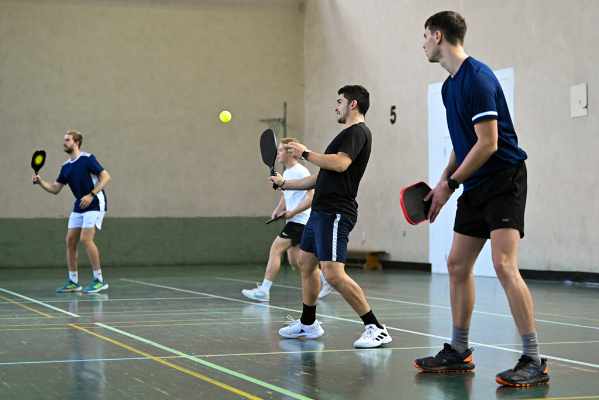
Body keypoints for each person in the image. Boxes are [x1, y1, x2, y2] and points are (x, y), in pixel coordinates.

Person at [415, 11, 549, 387]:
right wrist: (442, 182)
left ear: (438, 35)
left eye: (425, 36)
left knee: (504, 264)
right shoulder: (448, 87)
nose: (423, 43)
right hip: (474, 183)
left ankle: (533, 358)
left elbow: (488, 144)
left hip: (504, 179)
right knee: (457, 263)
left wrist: (452, 184)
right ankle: (459, 351)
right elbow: (464, 144)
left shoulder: (478, 79)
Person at [271, 85, 392, 348]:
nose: (335, 106)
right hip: (320, 211)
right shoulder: (345, 134)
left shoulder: (357, 132)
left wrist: (304, 152)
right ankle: (308, 323)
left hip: (337, 211)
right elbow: (321, 176)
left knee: (333, 273)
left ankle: (375, 327)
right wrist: (285, 184)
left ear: (353, 104)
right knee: (306, 262)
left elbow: (340, 164)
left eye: (339, 101)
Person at [242, 138, 334, 302]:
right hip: (293, 220)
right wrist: (279, 210)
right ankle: (326, 280)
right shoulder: (286, 173)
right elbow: (287, 194)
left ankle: (264, 290)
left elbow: (311, 198)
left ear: (291, 153)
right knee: (296, 261)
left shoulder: (301, 172)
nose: (277, 154)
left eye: (281, 151)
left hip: (301, 220)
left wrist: (293, 212)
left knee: (276, 249)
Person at [33, 130, 111, 294]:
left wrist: (91, 194)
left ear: (76, 142)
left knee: (86, 239)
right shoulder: (66, 167)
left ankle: (99, 280)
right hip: (79, 205)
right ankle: (73, 282)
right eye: (64, 140)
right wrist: (41, 182)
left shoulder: (88, 159)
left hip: (95, 202)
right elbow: (55, 189)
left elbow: (106, 177)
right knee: (70, 241)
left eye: (67, 140)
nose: (64, 143)